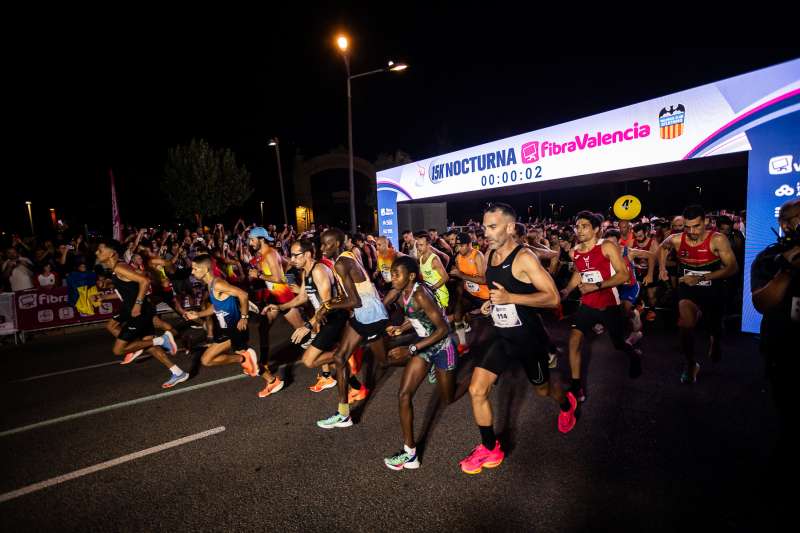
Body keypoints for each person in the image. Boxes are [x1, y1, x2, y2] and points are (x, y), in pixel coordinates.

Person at [459, 203, 577, 475]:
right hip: (502, 336)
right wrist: (492, 303)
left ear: (510, 227)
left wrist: (511, 298)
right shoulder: (489, 253)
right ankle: (490, 447)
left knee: (543, 390)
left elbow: (552, 297)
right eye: (484, 227)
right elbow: (499, 291)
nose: (485, 233)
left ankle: (565, 402)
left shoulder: (524, 257)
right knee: (477, 390)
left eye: (492, 227)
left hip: (528, 340)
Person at [309, 228, 389, 429]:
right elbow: (352, 294)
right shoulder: (347, 256)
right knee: (339, 358)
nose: (322, 248)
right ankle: (344, 414)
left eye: (327, 244)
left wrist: (326, 306)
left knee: (386, 360)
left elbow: (354, 300)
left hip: (370, 316)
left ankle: (424, 354)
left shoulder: (341, 262)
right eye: (321, 244)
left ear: (336, 244)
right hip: (365, 314)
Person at [382, 256, 457, 470]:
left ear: (411, 276)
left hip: (442, 347)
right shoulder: (404, 293)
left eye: (397, 274)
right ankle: (410, 453)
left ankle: (475, 380)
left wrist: (411, 348)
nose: (392, 278)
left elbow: (443, 329)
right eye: (392, 273)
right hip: (424, 347)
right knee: (404, 395)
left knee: (448, 397)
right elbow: (416, 318)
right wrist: (401, 329)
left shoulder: (421, 293)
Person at [560, 211, 643, 403]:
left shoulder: (607, 246)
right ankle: (576, 386)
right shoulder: (575, 251)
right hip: (587, 304)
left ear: (596, 229)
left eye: (584, 226)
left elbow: (623, 275)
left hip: (609, 304)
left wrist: (596, 286)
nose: (579, 230)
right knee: (573, 341)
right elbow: (580, 273)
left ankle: (634, 356)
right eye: (577, 226)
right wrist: (566, 290)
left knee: (618, 344)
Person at [659, 205, 738, 383]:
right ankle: (690, 364)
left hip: (713, 289)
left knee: (715, 327)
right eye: (688, 227)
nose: (692, 231)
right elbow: (663, 248)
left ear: (706, 222)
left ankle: (715, 339)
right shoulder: (677, 239)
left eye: (696, 226)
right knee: (685, 324)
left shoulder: (718, 240)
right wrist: (662, 268)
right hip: (688, 289)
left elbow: (733, 268)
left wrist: (704, 276)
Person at [93, 240, 188, 388]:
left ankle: (161, 340)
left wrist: (137, 305)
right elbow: (129, 289)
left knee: (118, 349)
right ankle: (177, 372)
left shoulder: (119, 267)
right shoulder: (116, 269)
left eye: (100, 250)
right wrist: (103, 296)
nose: (96, 253)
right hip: (140, 311)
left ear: (111, 253)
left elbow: (144, 281)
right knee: (147, 345)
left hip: (139, 313)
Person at [751, 198, 799, 471]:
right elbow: (761, 303)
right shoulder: (769, 259)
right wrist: (787, 269)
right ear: (785, 225)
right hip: (784, 347)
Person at [274, 239, 349, 393]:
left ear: (307, 254)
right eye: (291, 255)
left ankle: (346, 353)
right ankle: (330, 376)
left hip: (334, 317)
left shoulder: (318, 270)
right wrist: (279, 306)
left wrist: (307, 325)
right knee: (323, 351)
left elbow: (327, 304)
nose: (292, 259)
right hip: (322, 317)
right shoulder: (306, 271)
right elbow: (302, 298)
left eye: (296, 255)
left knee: (309, 360)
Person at [248, 227, 305, 398]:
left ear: (261, 239)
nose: (250, 243)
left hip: (283, 298)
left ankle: (330, 357)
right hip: (275, 297)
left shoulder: (270, 254)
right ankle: (264, 363)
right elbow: (286, 264)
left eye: (252, 239)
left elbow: (279, 278)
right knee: (263, 326)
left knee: (303, 330)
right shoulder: (267, 255)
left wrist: (258, 274)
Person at [185, 254, 258, 373]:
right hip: (226, 329)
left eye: (195, 269)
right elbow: (216, 306)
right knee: (206, 360)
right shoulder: (210, 285)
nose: (192, 272)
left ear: (206, 269)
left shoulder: (218, 284)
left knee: (255, 368)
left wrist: (244, 317)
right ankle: (243, 359)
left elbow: (243, 295)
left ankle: (271, 380)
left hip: (236, 329)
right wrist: (198, 315)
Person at [449, 232, 489, 353]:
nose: (459, 248)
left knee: (494, 326)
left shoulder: (477, 256)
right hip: (470, 294)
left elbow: (484, 279)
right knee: (457, 314)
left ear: (469, 244)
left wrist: (461, 274)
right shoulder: (458, 258)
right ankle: (463, 344)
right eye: (457, 246)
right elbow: (462, 279)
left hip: (485, 296)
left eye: (462, 246)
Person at [415, 232, 449, 309]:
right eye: (417, 245)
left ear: (428, 245)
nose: (418, 248)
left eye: (421, 245)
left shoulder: (434, 259)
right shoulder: (421, 258)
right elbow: (422, 277)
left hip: (439, 294)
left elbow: (446, 277)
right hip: (429, 294)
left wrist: (431, 289)